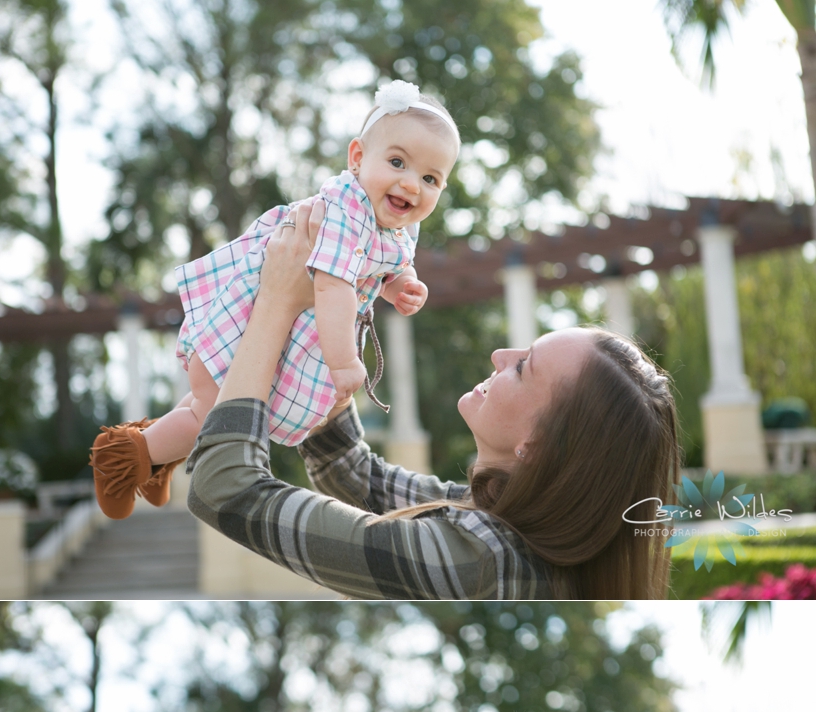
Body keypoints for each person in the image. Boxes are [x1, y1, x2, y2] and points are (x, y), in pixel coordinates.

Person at [181, 200, 682, 601]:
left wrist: (275, 301)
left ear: (539, 443)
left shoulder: (476, 563)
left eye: (524, 366)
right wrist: (324, 329)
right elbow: (357, 478)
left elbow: (225, 489)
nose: (499, 355)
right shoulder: (497, 528)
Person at [90, 80, 460, 520]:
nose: (411, 184)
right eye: (397, 162)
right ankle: (122, 457)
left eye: (430, 178)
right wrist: (343, 363)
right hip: (248, 326)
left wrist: (400, 285)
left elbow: (385, 266)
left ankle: (154, 457)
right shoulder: (346, 211)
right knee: (216, 415)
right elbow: (332, 285)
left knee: (204, 403)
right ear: (358, 158)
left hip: (278, 332)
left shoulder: (395, 225)